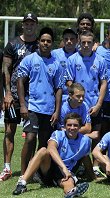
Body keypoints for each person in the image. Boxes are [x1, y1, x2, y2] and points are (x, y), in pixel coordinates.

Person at [12, 113, 93, 197]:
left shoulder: (85, 141)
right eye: (69, 125)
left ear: (80, 127)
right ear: (64, 126)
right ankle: (22, 183)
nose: (72, 128)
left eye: (75, 125)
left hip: (65, 174)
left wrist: (92, 176)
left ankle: (71, 193)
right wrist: (63, 168)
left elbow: (85, 158)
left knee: (69, 182)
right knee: (43, 150)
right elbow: (51, 148)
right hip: (49, 168)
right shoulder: (58, 134)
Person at [17, 27, 63, 176]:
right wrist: (23, 105)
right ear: (38, 42)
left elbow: (59, 88)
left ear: (52, 43)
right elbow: (20, 81)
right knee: (30, 139)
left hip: (49, 109)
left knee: (43, 143)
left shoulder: (56, 63)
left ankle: (36, 172)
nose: (45, 43)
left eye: (48, 41)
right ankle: (24, 174)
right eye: (43, 40)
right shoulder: (30, 59)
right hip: (33, 107)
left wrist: (57, 111)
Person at [0, 13, 39, 181]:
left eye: (32, 23)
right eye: (26, 23)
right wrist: (7, 93)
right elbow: (6, 69)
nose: (29, 26)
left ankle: (30, 167)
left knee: (31, 135)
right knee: (9, 130)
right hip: (14, 97)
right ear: (23, 25)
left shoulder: (41, 44)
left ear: (36, 25)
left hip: (34, 97)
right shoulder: (13, 44)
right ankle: (7, 167)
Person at [65, 30, 107, 143]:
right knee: (76, 136)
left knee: (96, 137)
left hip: (94, 104)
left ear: (94, 43)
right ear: (79, 42)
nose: (86, 45)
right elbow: (69, 82)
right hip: (78, 105)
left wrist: (98, 105)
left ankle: (95, 161)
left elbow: (103, 83)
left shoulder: (100, 60)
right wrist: (76, 97)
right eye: (83, 42)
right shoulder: (72, 59)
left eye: (89, 42)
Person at [52, 28, 78, 103]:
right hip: (57, 94)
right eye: (66, 39)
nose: (69, 41)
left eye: (72, 39)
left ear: (77, 40)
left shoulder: (81, 55)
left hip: (75, 96)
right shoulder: (54, 54)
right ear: (63, 40)